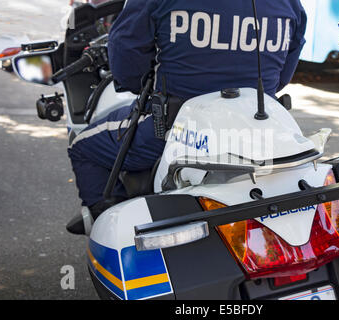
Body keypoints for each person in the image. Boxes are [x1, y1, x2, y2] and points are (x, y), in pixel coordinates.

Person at [67, 0, 307, 229]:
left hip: (174, 132)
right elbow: (282, 75)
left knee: (82, 147)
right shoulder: (290, 4)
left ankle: (116, 228)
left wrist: (142, 85)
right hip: (260, 133)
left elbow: (126, 59)